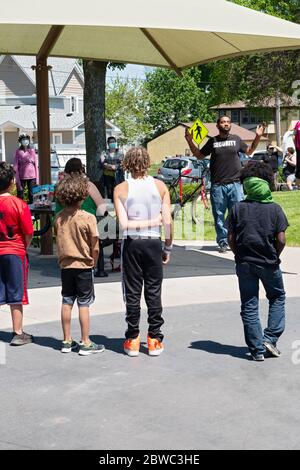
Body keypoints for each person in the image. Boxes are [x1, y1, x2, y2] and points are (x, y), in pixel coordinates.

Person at [114, 147, 173, 357]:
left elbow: (124, 225)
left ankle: (132, 338)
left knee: (132, 291)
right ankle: (155, 337)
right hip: (153, 241)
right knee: (153, 291)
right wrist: (167, 246)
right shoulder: (160, 186)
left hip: (132, 243)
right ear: (148, 162)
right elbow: (167, 221)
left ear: (127, 163)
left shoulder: (121, 188)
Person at [228, 161, 288, 361]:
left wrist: (238, 255)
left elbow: (230, 238)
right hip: (269, 263)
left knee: (249, 303)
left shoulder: (237, 208)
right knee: (277, 296)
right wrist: (275, 255)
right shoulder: (275, 209)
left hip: (244, 262)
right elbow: (281, 239)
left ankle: (256, 350)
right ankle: (269, 338)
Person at [185, 116, 266, 253]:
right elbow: (199, 155)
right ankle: (223, 241)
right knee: (219, 215)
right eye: (223, 122)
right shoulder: (213, 141)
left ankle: (238, 240)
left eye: (228, 122)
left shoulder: (236, 139)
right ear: (218, 125)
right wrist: (190, 141)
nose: (226, 124)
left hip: (235, 184)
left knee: (238, 214)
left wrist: (257, 136)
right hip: (218, 185)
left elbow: (250, 151)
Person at [54, 174, 105, 355]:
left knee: (67, 301)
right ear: (83, 196)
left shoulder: (59, 218)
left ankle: (67, 340)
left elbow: (58, 241)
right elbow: (95, 246)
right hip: (84, 266)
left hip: (66, 266)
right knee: (84, 303)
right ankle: (85, 342)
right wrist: (94, 261)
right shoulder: (88, 217)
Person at [55, 158, 108, 277]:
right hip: (87, 222)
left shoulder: (60, 186)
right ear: (81, 170)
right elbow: (102, 207)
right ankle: (97, 267)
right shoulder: (88, 185)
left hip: (63, 222)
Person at [0, 162, 34, 346]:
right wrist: (24, 246)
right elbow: (28, 231)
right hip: (15, 251)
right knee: (16, 293)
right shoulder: (18, 204)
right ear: (12, 182)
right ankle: (18, 332)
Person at [13, 134, 39, 204]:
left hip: (32, 176)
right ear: (20, 141)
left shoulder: (32, 151)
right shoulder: (18, 151)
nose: (25, 141)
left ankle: (32, 212)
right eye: (23, 139)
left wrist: (37, 179)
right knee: (20, 194)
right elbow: (15, 165)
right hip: (21, 176)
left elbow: (36, 165)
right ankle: (19, 211)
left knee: (32, 195)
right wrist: (16, 177)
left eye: (26, 139)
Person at [293, 120, 300, 185]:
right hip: (298, 148)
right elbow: (294, 135)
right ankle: (297, 186)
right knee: (299, 166)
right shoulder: (298, 123)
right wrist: (295, 145)